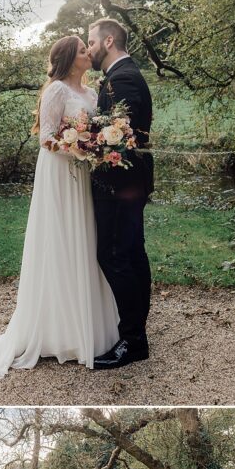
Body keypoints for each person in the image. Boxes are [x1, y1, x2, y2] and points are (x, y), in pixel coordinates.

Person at [0, 34, 119, 378]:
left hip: (83, 175)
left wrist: (94, 146)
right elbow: (46, 137)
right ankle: (56, 331)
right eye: (80, 51)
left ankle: (85, 328)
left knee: (86, 242)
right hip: (60, 172)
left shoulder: (91, 94)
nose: (87, 53)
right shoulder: (56, 90)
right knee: (60, 242)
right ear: (67, 58)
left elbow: (96, 131)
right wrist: (74, 147)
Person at [87, 18, 154, 369]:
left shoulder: (123, 77)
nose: (89, 48)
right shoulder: (121, 75)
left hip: (120, 182)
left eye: (92, 42)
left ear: (109, 40)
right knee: (131, 253)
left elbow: (120, 134)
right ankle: (137, 329)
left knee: (114, 254)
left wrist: (85, 139)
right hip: (127, 181)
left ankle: (133, 340)